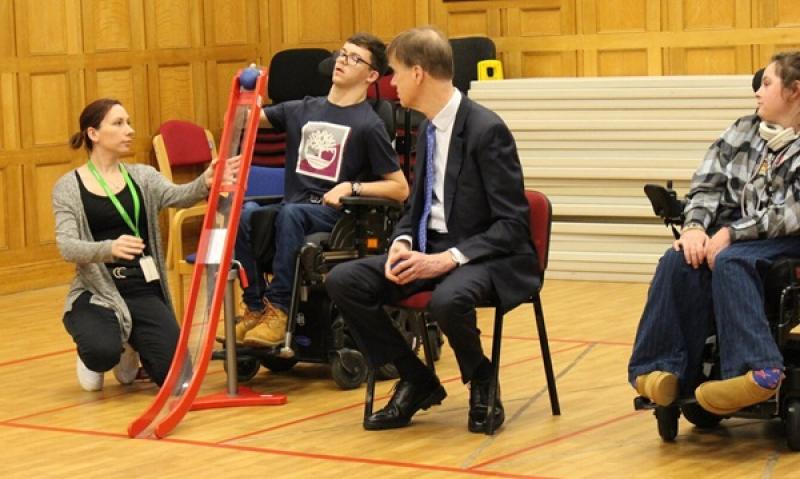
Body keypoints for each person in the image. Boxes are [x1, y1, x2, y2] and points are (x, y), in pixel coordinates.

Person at [325, 26, 537, 433]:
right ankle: (416, 378)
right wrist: (403, 241)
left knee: (447, 300)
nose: (391, 84)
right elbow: (416, 206)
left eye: (396, 73)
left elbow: (512, 225)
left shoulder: (485, 129)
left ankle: (481, 378)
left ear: (418, 73)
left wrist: (445, 259)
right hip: (430, 247)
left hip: (485, 254)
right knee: (344, 280)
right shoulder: (426, 130)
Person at [628, 52, 800, 416]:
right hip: (736, 231)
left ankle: (759, 369)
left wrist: (731, 235)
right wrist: (693, 229)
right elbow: (706, 185)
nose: (758, 91)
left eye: (767, 84)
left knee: (731, 260)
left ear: (794, 91)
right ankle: (662, 369)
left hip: (785, 237)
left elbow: (789, 214)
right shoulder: (741, 129)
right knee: (678, 259)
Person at [232, 32, 408, 348]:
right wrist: (246, 90)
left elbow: (399, 188)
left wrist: (351, 187)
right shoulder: (302, 109)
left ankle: (281, 309)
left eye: (355, 58)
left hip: (336, 216)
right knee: (245, 214)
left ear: (371, 75)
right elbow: (245, 120)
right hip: (295, 208)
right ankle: (256, 306)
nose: (343, 60)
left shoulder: (369, 125)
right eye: (342, 53)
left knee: (291, 214)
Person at [53, 98, 239, 391]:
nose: (129, 130)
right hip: (98, 290)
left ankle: (129, 343)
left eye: (128, 122)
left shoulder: (142, 176)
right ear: (93, 134)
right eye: (118, 123)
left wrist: (206, 181)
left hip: (142, 285)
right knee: (101, 352)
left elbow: (180, 196)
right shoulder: (68, 187)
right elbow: (67, 246)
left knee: (178, 380)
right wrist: (108, 248)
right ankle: (108, 348)